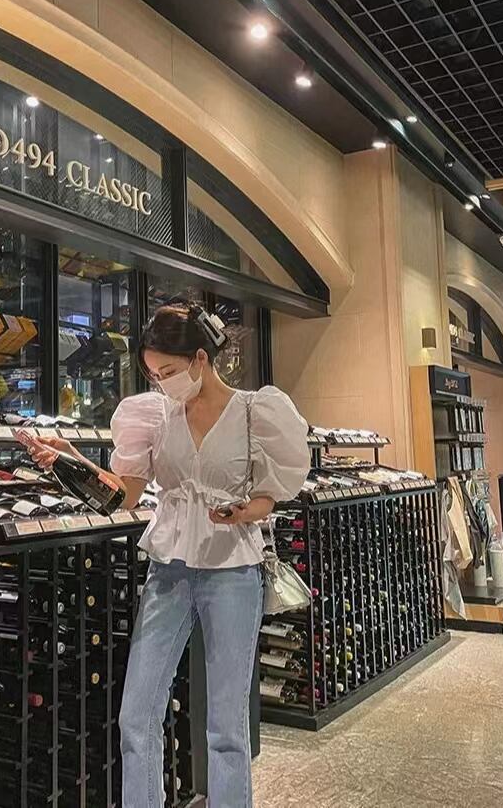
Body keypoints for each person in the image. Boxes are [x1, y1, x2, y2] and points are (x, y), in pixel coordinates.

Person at [24, 301, 310, 808]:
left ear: (201, 358)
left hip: (233, 569)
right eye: (154, 375)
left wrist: (243, 512)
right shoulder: (154, 416)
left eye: (168, 372)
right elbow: (125, 493)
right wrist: (70, 459)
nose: (161, 383)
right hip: (169, 569)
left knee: (227, 725)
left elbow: (270, 496)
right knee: (137, 715)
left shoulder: (254, 412)